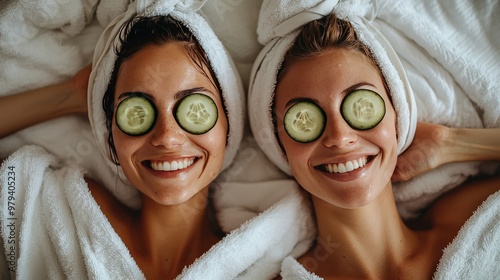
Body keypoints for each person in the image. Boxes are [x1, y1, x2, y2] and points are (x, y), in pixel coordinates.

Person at [1, 1, 315, 279]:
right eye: (138, 111)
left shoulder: (271, 268)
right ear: (110, 134)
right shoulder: (47, 209)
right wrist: (69, 94)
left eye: (194, 109)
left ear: (228, 125)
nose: (167, 136)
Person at [248, 1, 500, 279]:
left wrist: (451, 143)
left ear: (397, 116)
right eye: (304, 120)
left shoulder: (475, 220)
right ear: (279, 144)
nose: (340, 138)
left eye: (362, 107)